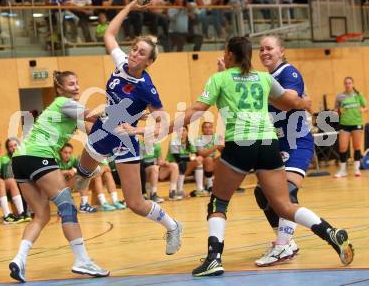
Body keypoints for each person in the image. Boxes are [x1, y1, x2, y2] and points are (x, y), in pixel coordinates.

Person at [126, 36, 354, 276]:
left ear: (230, 55)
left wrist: (157, 129)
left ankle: (214, 258)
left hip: (241, 143)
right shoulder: (264, 78)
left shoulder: (219, 79)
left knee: (219, 201)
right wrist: (304, 101)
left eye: (225, 51)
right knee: (285, 205)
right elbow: (290, 102)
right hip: (268, 143)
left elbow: (194, 112)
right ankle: (329, 232)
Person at [73, 0, 183, 257]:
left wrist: (136, 131)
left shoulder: (146, 87)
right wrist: (130, 7)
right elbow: (110, 34)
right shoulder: (121, 62)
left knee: (134, 203)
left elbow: (164, 121)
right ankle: (83, 194)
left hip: (124, 138)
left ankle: (173, 226)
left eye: (141, 53)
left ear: (149, 62)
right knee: (80, 178)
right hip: (102, 129)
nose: (134, 54)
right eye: (134, 49)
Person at [8, 71, 109, 283]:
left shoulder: (71, 112)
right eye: (71, 84)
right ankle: (82, 260)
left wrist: (128, 130)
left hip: (19, 160)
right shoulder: (64, 102)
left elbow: (95, 131)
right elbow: (93, 115)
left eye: (77, 82)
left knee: (42, 215)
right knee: (67, 207)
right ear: (60, 89)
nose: (76, 87)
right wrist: (121, 111)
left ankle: (19, 259)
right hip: (39, 156)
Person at [252, 35, 314, 267]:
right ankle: (286, 240)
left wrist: (260, 89)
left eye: (269, 48)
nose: (264, 52)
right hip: (276, 144)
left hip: (297, 142)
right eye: (261, 49)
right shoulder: (266, 78)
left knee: (286, 192)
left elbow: (288, 102)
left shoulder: (289, 72)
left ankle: (282, 244)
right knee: (262, 194)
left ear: (281, 51)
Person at [0, 139, 29, 223]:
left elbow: (6, 176)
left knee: (10, 180)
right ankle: (7, 215)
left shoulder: (1, 160)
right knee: (0, 182)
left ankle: (22, 213)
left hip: (0, 189)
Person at [334, 77, 368, 178]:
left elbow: (366, 107)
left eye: (349, 83)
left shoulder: (358, 95)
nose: (347, 85)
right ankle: (342, 170)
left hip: (356, 123)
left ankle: (357, 169)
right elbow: (335, 109)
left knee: (356, 146)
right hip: (344, 124)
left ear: (353, 84)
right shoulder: (340, 96)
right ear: (344, 85)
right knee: (343, 147)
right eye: (346, 83)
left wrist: (363, 110)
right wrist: (338, 111)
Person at [166, 126, 209, 197]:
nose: (182, 132)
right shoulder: (174, 142)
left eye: (184, 130)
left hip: (184, 164)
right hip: (172, 166)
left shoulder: (189, 141)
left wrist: (193, 157)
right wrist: (191, 157)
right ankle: (179, 190)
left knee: (199, 161)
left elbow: (195, 154)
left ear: (187, 131)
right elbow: (178, 158)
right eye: (179, 131)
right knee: (183, 163)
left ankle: (200, 189)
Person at [57, 143, 97, 213]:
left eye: (70, 153)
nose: (67, 155)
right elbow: (52, 174)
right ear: (60, 152)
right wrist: (67, 171)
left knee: (84, 176)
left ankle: (84, 204)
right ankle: (64, 206)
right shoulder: (56, 160)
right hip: (56, 186)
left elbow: (81, 168)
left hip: (68, 185)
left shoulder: (73, 159)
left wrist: (74, 170)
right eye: (65, 152)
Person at [195, 122, 224, 192]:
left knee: (226, 159)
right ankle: (209, 185)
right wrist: (215, 146)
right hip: (202, 161)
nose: (208, 129)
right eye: (205, 127)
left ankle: (230, 184)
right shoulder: (199, 139)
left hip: (213, 160)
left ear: (212, 128)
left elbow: (223, 152)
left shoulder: (217, 137)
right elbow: (202, 154)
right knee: (208, 159)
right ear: (202, 129)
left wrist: (223, 147)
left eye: (210, 127)